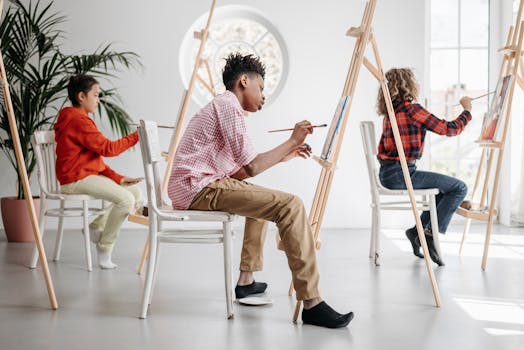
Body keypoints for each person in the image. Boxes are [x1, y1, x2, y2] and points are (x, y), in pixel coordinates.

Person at [168, 53, 353, 328]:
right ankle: (312, 303)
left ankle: (246, 281)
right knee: (290, 205)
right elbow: (252, 166)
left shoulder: (225, 107)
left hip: (197, 185)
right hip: (198, 188)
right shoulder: (228, 105)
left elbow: (240, 173)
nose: (263, 95)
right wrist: (291, 140)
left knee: (259, 202)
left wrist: (285, 153)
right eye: (262, 87)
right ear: (244, 81)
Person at [376, 68, 473, 266]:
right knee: (459, 187)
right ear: (407, 86)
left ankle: (416, 231)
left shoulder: (391, 113)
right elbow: (449, 129)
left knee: (442, 191)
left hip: (387, 174)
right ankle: (428, 234)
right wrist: (467, 111)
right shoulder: (412, 109)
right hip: (402, 174)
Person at [54, 74, 142, 269]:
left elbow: (95, 161)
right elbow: (108, 149)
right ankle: (104, 247)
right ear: (81, 97)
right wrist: (137, 136)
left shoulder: (79, 118)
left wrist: (119, 178)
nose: (98, 99)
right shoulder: (78, 121)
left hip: (85, 175)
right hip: (74, 180)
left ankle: (95, 227)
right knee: (126, 200)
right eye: (95, 95)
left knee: (135, 193)